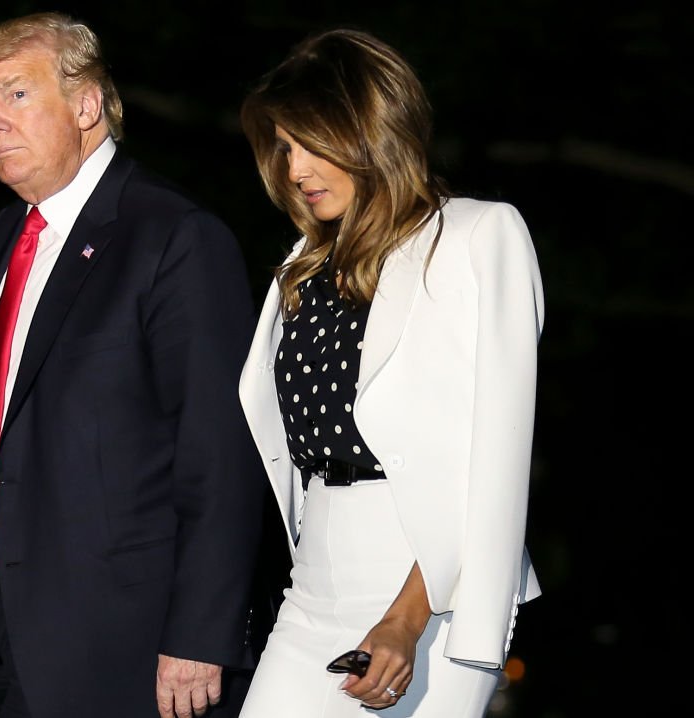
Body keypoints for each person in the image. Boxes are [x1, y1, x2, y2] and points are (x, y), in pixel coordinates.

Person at [0, 12, 265, 718]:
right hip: (6, 635)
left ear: (86, 105)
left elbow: (221, 453)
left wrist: (202, 633)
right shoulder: (8, 237)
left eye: (17, 95)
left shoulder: (174, 237)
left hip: (136, 651)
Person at [235, 27, 543, 717]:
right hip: (312, 584)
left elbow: (489, 458)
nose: (294, 169)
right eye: (284, 148)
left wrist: (407, 617)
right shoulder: (301, 268)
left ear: (371, 131)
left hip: (434, 589)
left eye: (312, 143)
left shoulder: (474, 238)